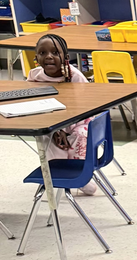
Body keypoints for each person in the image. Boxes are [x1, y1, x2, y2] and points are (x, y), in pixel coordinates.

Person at [26, 33, 96, 195]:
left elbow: (86, 108)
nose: (49, 57)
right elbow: (33, 105)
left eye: (55, 53)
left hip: (79, 120)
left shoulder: (75, 77)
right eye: (43, 53)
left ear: (66, 56)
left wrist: (64, 127)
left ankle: (80, 175)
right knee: (45, 136)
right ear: (36, 56)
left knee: (80, 134)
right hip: (50, 122)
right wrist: (57, 129)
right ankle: (57, 173)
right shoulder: (34, 76)